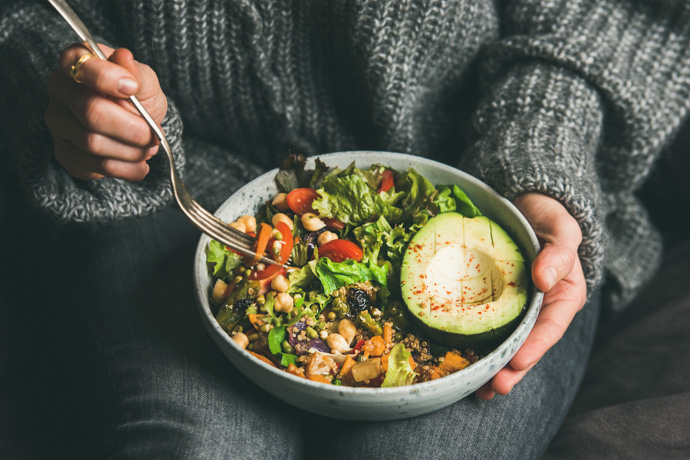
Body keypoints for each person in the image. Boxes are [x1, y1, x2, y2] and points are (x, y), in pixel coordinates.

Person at [1, 0, 689, 458]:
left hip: (493, 185)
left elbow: (617, 14)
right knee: (203, 444)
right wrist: (65, 83)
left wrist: (541, 147)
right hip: (158, 186)